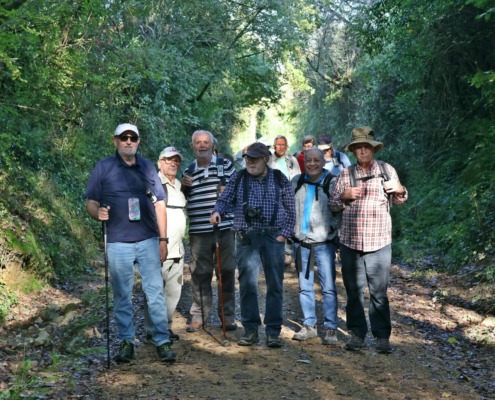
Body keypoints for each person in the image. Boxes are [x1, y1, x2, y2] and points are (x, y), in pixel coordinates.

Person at [85, 123, 176, 363]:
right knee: (122, 294)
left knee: (155, 292)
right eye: (124, 137)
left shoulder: (146, 167)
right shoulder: (104, 167)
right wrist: (97, 214)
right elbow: (91, 202)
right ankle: (126, 340)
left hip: (148, 239)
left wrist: (163, 239)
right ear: (115, 140)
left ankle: (162, 340)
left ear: (138, 141)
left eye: (132, 138)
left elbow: (159, 203)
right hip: (117, 241)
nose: (128, 141)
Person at [329, 126, 408, 353]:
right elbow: (332, 205)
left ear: (373, 149)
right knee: (354, 292)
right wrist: (343, 196)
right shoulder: (346, 174)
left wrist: (400, 189)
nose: (363, 151)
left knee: (379, 292)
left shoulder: (386, 170)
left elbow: (400, 199)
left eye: (367, 147)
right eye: (358, 147)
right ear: (353, 151)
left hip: (379, 242)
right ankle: (357, 334)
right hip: (350, 243)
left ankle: (382, 337)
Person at [210, 142, 296, 348]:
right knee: (247, 284)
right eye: (248, 158)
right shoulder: (238, 177)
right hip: (246, 237)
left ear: (266, 159)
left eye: (255, 159)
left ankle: (273, 332)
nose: (250, 162)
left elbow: (290, 209)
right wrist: (217, 211)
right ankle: (250, 330)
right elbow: (225, 199)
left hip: (273, 237)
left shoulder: (279, 178)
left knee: (275, 285)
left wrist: (284, 235)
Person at [181, 130, 237, 333]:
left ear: (213, 145)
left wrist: (228, 192)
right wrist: (183, 187)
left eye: (206, 142)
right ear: (193, 146)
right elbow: (182, 199)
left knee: (226, 271)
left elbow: (238, 191)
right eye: (198, 142)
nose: (202, 145)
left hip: (224, 228)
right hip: (198, 231)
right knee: (199, 273)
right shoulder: (188, 171)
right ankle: (199, 316)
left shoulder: (225, 165)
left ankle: (227, 316)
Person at [291, 147, 340, 345]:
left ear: (323, 162)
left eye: (316, 160)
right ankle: (309, 325)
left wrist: (333, 230)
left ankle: (331, 328)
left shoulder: (332, 182)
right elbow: (288, 207)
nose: (312, 164)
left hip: (324, 245)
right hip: (301, 244)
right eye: (308, 160)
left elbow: (339, 210)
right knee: (305, 287)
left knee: (328, 288)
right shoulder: (296, 181)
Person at [143, 146, 187, 343]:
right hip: (159, 247)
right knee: (155, 291)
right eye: (169, 160)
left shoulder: (179, 185)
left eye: (176, 160)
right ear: (160, 162)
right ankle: (152, 330)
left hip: (178, 249)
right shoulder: (152, 184)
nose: (173, 163)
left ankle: (165, 328)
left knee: (173, 291)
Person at [268, 135, 301, 266]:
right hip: (273, 196)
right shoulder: (268, 160)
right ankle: (275, 250)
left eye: (283, 145)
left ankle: (287, 252)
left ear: (287, 147)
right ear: (274, 146)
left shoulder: (292, 160)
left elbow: (297, 177)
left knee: (290, 219)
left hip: (289, 194)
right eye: (278, 144)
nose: (281, 147)